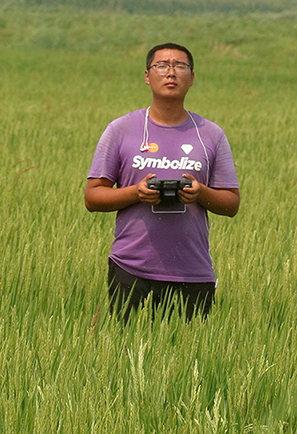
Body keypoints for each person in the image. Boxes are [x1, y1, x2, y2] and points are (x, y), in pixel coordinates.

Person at [85, 43, 239, 320]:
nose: (171, 73)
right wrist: (136, 193)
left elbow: (231, 204)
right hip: (131, 268)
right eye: (162, 66)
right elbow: (93, 197)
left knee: (189, 358)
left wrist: (200, 192)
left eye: (180, 66)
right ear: (147, 75)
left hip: (193, 272)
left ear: (192, 78)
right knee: (123, 353)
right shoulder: (121, 130)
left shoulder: (211, 135)